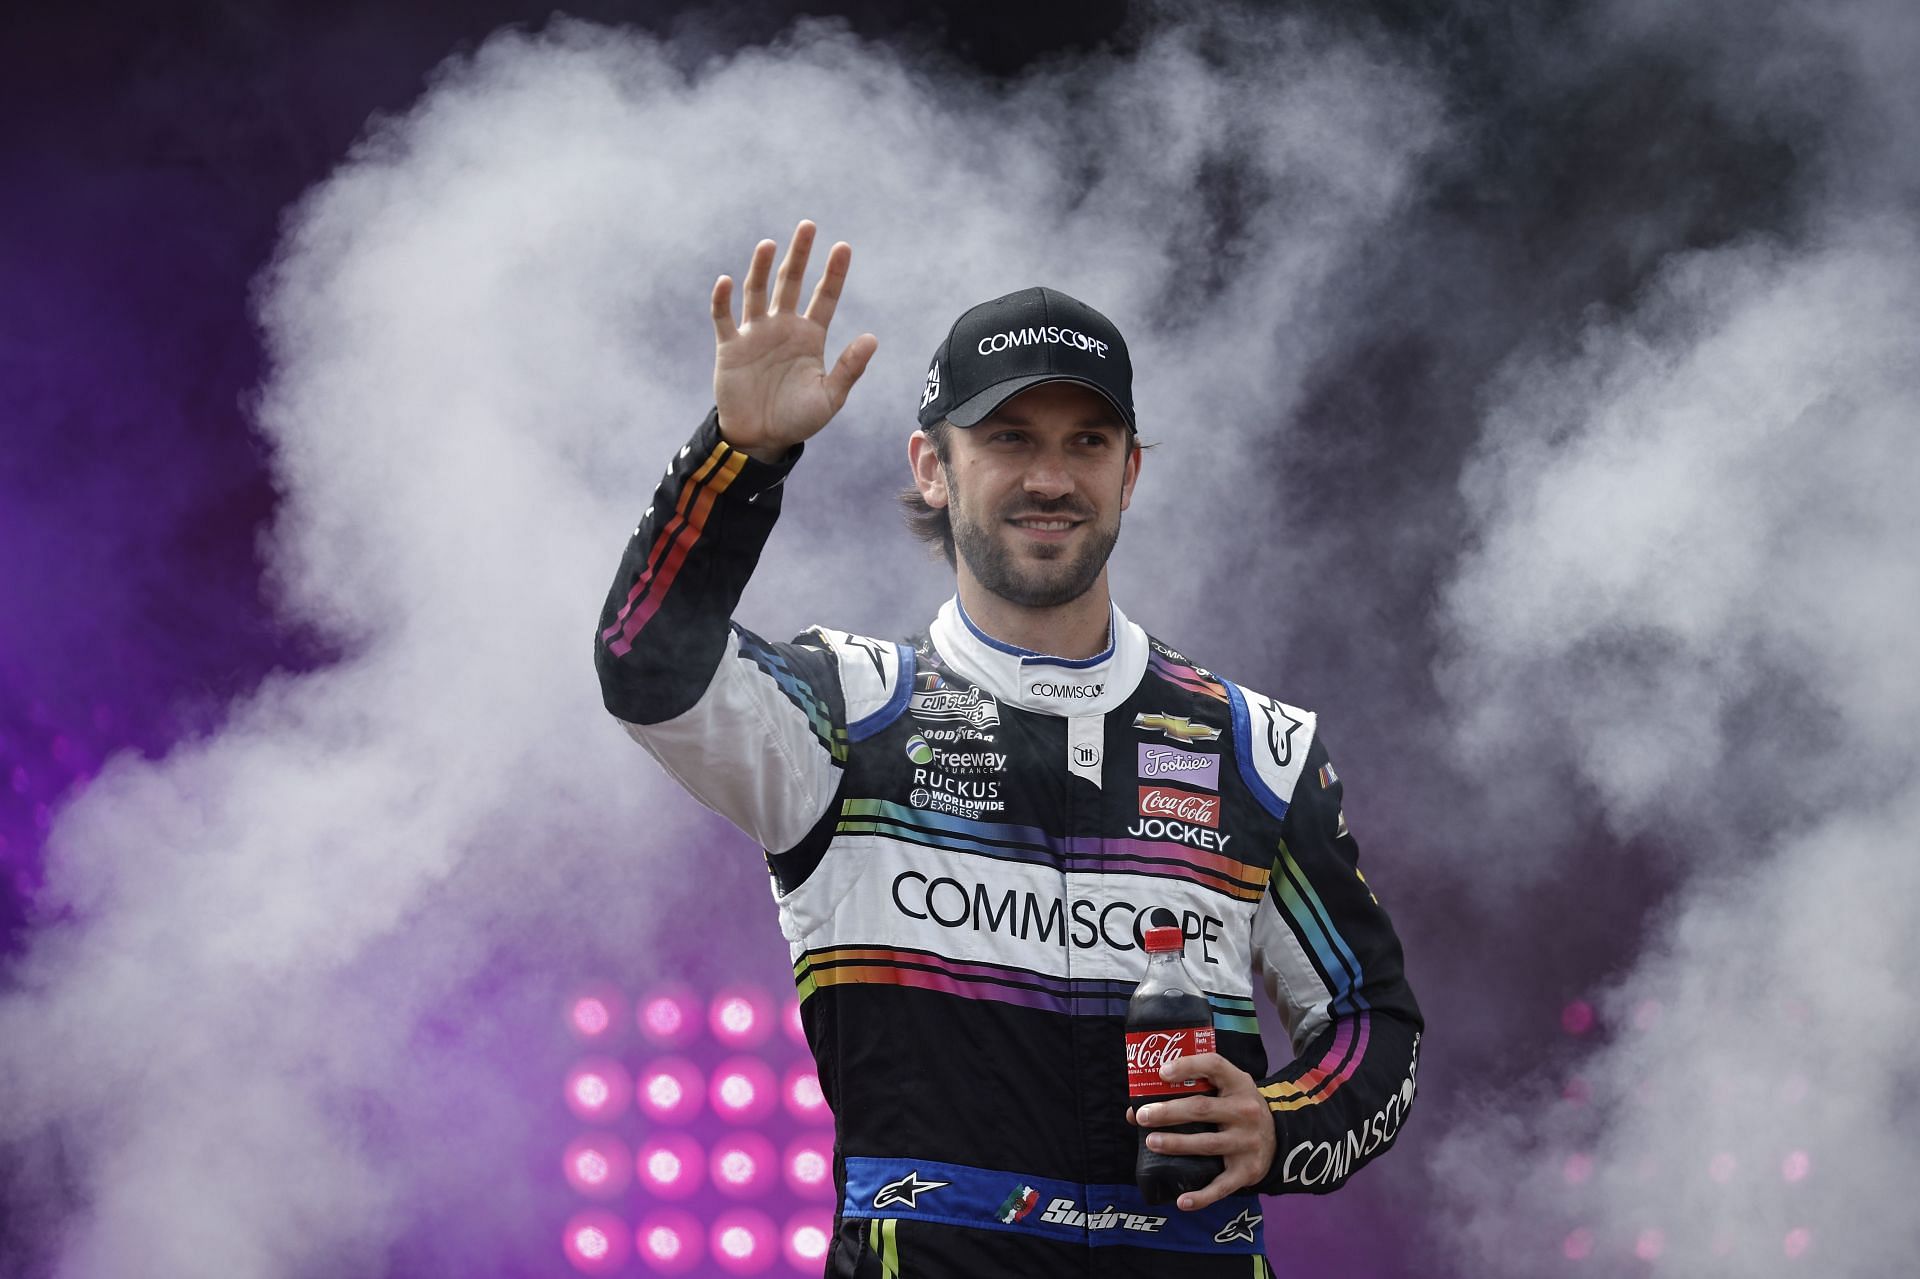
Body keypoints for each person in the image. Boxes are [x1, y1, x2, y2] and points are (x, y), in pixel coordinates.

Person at [594, 221, 1423, 1278]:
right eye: (1009, 438)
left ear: (1130, 473)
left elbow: (1372, 1024)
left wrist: (1282, 1122)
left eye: (1086, 441)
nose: (1051, 476)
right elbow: (644, 662)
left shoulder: (1255, 747)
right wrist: (738, 455)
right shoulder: (847, 709)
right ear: (932, 468)